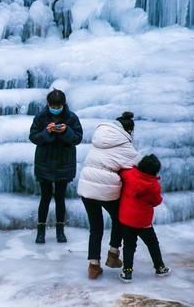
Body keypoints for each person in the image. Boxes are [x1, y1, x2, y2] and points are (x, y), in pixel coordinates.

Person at [77, 111, 139, 279]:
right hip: (107, 190)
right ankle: (113, 255)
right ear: (129, 131)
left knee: (95, 228)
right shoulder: (126, 146)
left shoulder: (99, 137)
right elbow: (138, 166)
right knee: (119, 219)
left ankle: (93, 266)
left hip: (86, 187)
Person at [29, 89, 83, 244]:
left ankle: (60, 231)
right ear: (48, 104)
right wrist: (47, 132)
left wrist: (67, 131)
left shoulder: (71, 118)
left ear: (63, 104)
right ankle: (41, 232)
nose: (55, 108)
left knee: (60, 198)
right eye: (53, 105)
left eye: (58, 106)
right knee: (45, 197)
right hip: (44, 162)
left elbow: (77, 139)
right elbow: (33, 137)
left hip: (64, 163)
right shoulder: (40, 117)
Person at [119, 154, 171, 282]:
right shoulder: (154, 185)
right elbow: (157, 201)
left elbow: (121, 172)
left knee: (129, 246)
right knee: (152, 244)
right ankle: (160, 267)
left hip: (126, 219)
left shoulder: (129, 175)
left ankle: (127, 272)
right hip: (143, 222)